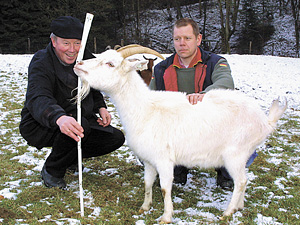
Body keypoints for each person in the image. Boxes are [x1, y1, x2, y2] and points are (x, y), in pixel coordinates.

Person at [150, 18, 257, 189]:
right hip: (177, 130)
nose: (181, 43)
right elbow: (151, 100)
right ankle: (177, 170)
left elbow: (225, 81)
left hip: (211, 128)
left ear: (198, 39)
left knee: (240, 145)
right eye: (177, 39)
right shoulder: (161, 68)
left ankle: (226, 173)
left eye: (187, 38)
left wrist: (204, 95)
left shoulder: (216, 62)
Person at [19, 16, 125, 189]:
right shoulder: (41, 62)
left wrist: (100, 106)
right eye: (66, 43)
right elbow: (38, 97)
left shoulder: (85, 57)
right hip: (42, 123)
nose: (72, 49)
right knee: (78, 124)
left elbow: (94, 84)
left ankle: (68, 157)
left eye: (77, 43)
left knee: (115, 138)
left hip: (80, 120)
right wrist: (59, 117)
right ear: (53, 41)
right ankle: (52, 170)